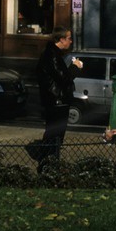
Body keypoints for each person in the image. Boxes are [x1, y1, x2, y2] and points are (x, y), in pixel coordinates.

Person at [29, 27, 82, 169]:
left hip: (57, 100)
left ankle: (50, 163)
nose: (71, 41)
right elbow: (64, 78)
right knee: (54, 135)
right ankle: (47, 164)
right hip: (57, 101)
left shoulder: (53, 54)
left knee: (56, 136)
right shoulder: (52, 55)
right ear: (61, 40)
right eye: (69, 38)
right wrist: (75, 67)